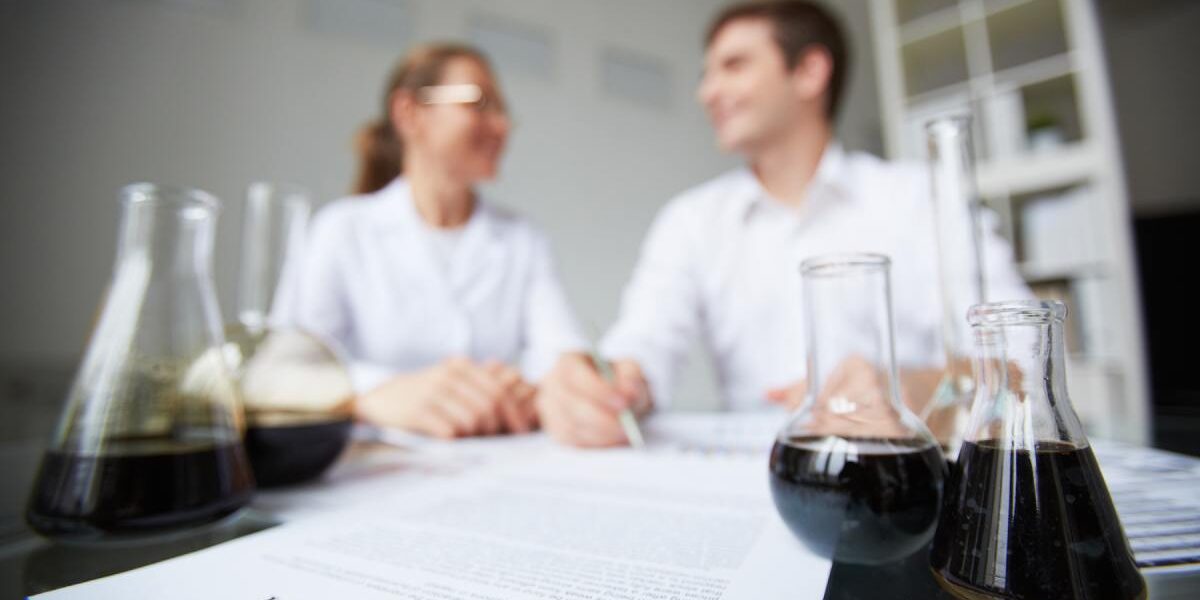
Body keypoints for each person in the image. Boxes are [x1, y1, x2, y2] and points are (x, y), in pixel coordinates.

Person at [535, 1, 1031, 447]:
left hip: (908, 476)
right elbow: (645, 342)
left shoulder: (919, 196)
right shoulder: (692, 220)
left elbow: (1023, 359)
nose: (707, 92)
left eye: (733, 66)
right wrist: (613, 386)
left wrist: (917, 389)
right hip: (760, 479)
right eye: (706, 73)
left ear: (810, 72)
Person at [282, 43, 586, 439]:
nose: (502, 125)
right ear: (409, 113)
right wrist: (376, 394)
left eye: (503, 111)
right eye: (480, 103)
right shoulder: (341, 230)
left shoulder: (522, 239)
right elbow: (283, 370)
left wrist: (536, 386)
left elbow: (561, 355)